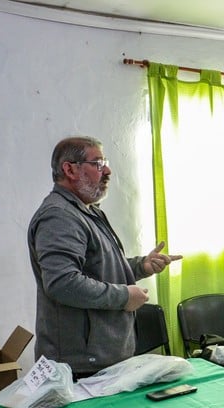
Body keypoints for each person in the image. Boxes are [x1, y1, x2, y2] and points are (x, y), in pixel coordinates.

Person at [28, 136, 181, 379]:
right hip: (80, 365)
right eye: (98, 163)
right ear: (70, 169)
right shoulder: (59, 216)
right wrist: (123, 297)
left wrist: (141, 266)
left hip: (99, 358)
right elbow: (62, 283)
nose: (108, 170)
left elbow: (97, 269)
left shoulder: (87, 211)